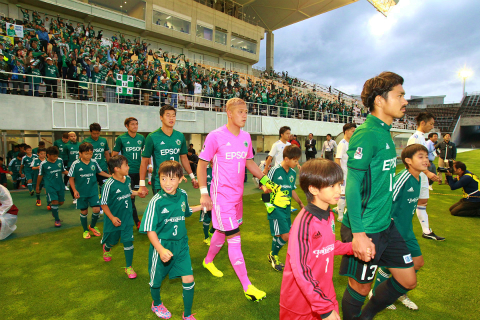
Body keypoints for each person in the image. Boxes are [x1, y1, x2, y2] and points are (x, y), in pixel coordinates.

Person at [339, 72, 416, 320]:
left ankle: (366, 316)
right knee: (360, 287)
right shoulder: (367, 133)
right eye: (400, 95)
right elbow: (352, 185)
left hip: (385, 225)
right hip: (365, 228)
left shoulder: (385, 132)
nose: (405, 101)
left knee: (408, 279)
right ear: (380, 101)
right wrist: (359, 235)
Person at [198, 98, 289, 302]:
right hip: (221, 198)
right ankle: (247, 286)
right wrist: (204, 192)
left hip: (238, 197)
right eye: (240, 111)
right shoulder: (215, 136)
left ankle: (208, 261)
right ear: (229, 113)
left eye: (246, 111)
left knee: (221, 231)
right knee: (235, 238)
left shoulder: (246, 137)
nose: (245, 115)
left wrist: (268, 182)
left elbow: (249, 163)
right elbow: (202, 164)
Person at [280, 158, 354, 320]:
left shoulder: (329, 215)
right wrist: (324, 309)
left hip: (325, 292)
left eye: (339, 184)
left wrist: (352, 247)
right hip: (300, 301)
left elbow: (327, 246)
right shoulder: (304, 223)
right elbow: (300, 268)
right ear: (313, 189)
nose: (339, 191)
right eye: (332, 186)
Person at [370, 144, 429, 311]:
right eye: (420, 157)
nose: (425, 160)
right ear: (408, 161)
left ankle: (397, 292)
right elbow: (385, 201)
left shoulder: (419, 178)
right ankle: (378, 294)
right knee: (389, 266)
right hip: (393, 231)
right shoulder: (402, 178)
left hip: (407, 231)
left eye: (426, 156)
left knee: (417, 263)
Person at [140, 160, 201, 320]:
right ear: (158, 179)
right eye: (163, 179)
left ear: (181, 179)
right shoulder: (156, 202)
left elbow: (186, 211)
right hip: (161, 245)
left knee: (189, 278)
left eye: (172, 179)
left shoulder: (183, 195)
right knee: (156, 280)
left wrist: (201, 207)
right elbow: (150, 230)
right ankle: (157, 303)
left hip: (181, 245)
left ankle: (187, 314)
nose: (167, 183)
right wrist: (160, 249)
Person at [100, 155, 144, 279]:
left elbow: (128, 192)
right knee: (113, 241)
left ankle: (128, 267)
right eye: (126, 165)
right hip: (113, 219)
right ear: (117, 169)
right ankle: (107, 247)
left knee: (128, 241)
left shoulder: (128, 179)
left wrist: (137, 193)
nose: (128, 167)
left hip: (127, 217)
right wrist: (112, 218)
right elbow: (103, 204)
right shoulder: (108, 185)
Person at [139, 105, 198, 196]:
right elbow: (144, 161)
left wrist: (192, 177)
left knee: (174, 208)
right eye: (168, 115)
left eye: (173, 115)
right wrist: (142, 184)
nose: (171, 118)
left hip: (175, 180)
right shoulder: (152, 137)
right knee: (162, 209)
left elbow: (184, 158)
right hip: (159, 182)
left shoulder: (180, 136)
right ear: (161, 117)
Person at [263, 145, 304, 272]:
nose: (297, 163)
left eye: (298, 160)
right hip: (275, 208)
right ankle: (273, 255)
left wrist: (300, 203)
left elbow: (291, 190)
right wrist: (268, 205)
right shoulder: (275, 170)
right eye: (295, 160)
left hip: (286, 208)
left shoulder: (292, 173)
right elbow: (264, 185)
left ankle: (273, 255)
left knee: (280, 234)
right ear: (286, 159)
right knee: (286, 235)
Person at [407, 113, 444, 241]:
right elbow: (413, 160)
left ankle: (426, 231)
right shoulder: (415, 138)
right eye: (431, 124)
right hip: (416, 176)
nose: (432, 127)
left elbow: (422, 157)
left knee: (422, 202)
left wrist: (427, 166)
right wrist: (427, 173)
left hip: (421, 175)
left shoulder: (422, 138)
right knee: (407, 203)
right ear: (423, 123)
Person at [69, 142, 111, 239]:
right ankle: (85, 230)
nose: (89, 156)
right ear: (80, 153)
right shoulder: (75, 164)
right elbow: (71, 178)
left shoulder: (94, 162)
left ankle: (92, 226)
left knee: (96, 209)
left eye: (90, 153)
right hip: (81, 192)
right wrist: (74, 190)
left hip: (93, 191)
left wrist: (110, 176)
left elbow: (99, 172)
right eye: (86, 153)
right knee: (84, 212)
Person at [112, 117, 146, 229]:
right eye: (132, 124)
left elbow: (146, 154)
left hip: (138, 172)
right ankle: (136, 221)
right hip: (126, 174)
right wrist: (119, 169)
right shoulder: (121, 138)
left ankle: (127, 219)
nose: (135, 126)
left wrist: (149, 165)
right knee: (129, 196)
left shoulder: (141, 138)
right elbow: (114, 155)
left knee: (132, 197)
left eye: (136, 124)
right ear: (126, 126)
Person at [36, 146, 69, 228]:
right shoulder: (43, 164)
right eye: (54, 156)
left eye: (56, 156)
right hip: (50, 186)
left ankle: (54, 210)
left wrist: (72, 174)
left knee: (60, 202)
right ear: (48, 155)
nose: (56, 157)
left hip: (60, 185)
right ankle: (57, 220)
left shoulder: (60, 160)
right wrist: (37, 186)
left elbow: (63, 170)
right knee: (54, 202)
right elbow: (40, 175)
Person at [334, 123, 356, 222]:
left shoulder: (351, 143)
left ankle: (338, 208)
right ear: (346, 132)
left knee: (349, 194)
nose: (354, 133)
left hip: (350, 174)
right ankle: (340, 215)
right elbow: (337, 159)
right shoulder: (342, 144)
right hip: (344, 174)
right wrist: (339, 175)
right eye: (353, 131)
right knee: (342, 194)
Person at [83, 123, 111, 188]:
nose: (96, 135)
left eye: (98, 133)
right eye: (94, 133)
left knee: (104, 187)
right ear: (90, 132)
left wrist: (110, 166)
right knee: (91, 187)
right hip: (90, 169)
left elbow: (106, 153)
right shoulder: (86, 141)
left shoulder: (103, 140)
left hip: (102, 168)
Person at [199, 161, 214, 246]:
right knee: (207, 219)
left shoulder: (220, 170)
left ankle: (211, 231)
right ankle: (206, 237)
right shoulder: (205, 170)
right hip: (207, 200)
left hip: (217, 200)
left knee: (218, 219)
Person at [65, 132, 81, 203]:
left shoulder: (80, 145)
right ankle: (74, 197)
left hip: (80, 166)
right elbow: (65, 157)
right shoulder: (66, 146)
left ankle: (82, 196)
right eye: (71, 136)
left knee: (80, 181)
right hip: (70, 166)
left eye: (74, 136)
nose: (73, 137)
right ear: (68, 138)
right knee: (72, 182)